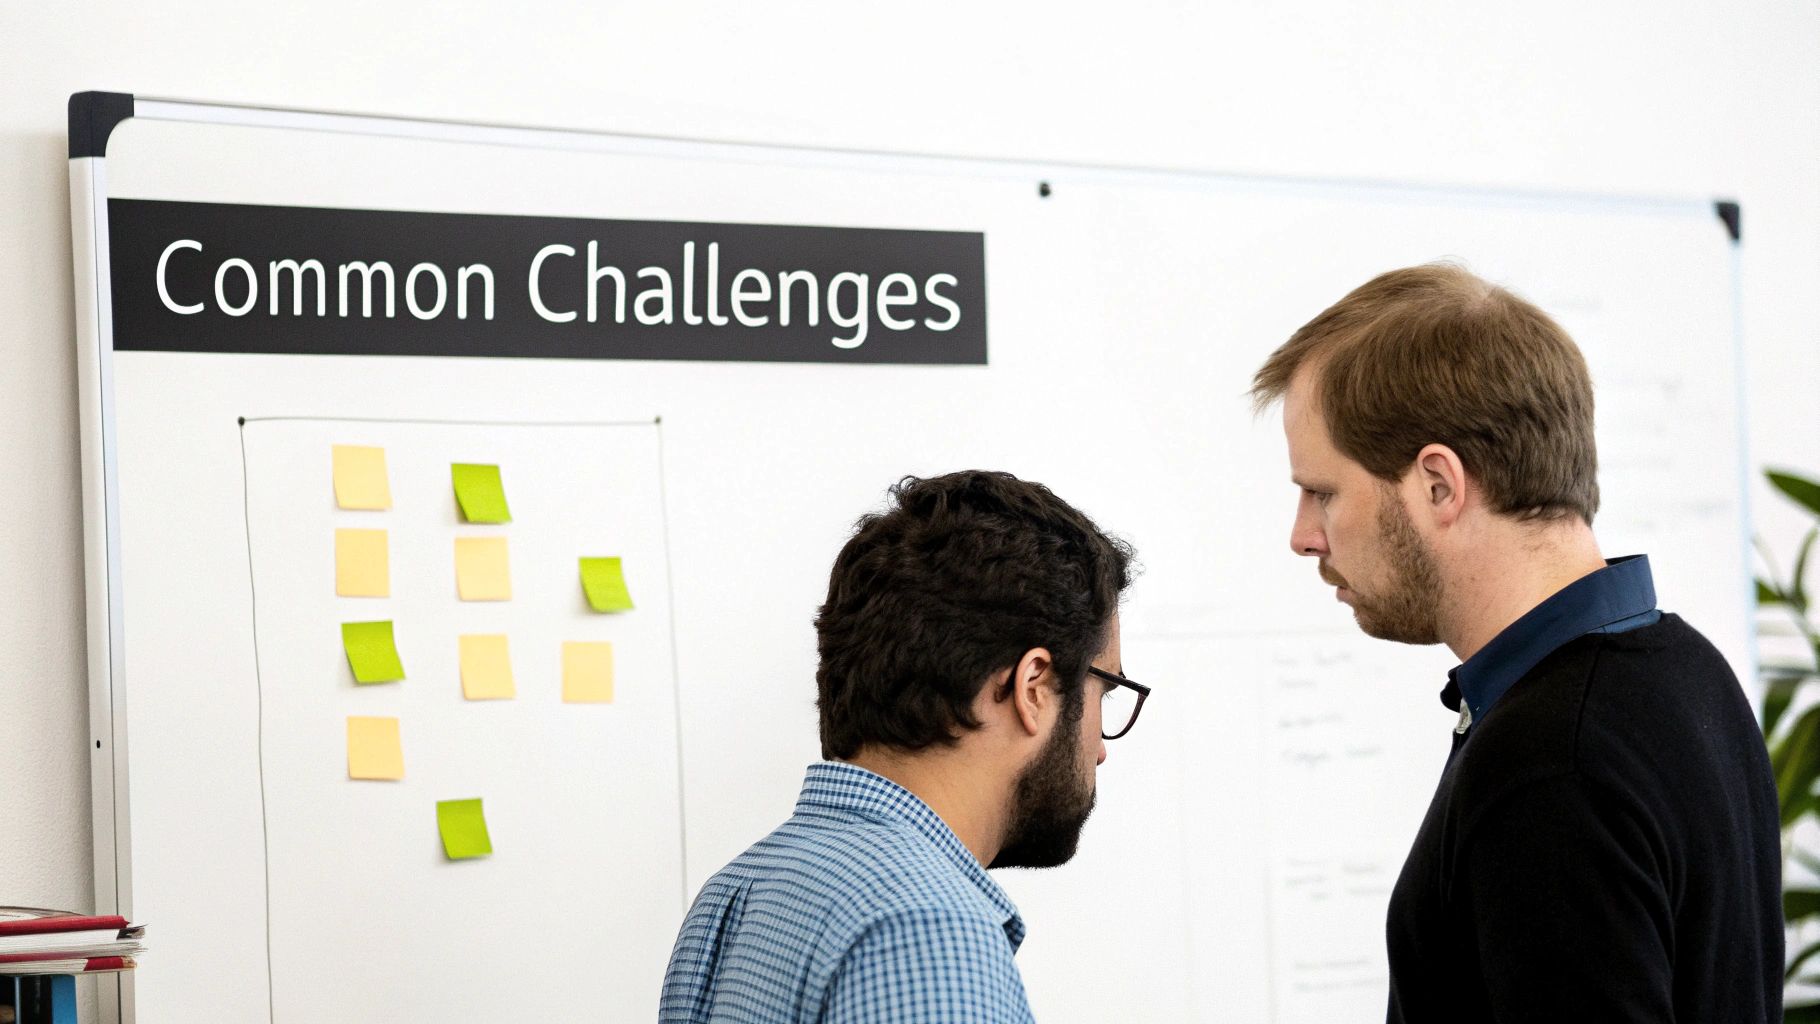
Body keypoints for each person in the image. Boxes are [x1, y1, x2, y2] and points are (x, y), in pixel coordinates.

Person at [1250, 263, 1781, 1023]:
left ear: (1439, 484)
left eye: (1323, 492)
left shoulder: (1550, 763)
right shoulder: (1689, 669)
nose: (1303, 535)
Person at [659, 470, 1144, 1024]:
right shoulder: (929, 929)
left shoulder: (735, 894)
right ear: (1032, 687)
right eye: (1105, 690)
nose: (1100, 751)